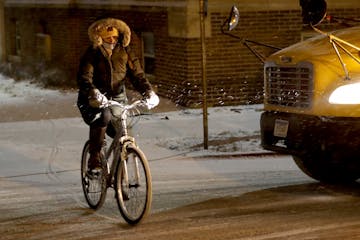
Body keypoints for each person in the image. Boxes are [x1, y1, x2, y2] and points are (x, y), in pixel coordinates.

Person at [77, 18, 159, 173]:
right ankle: (94, 157)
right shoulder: (92, 53)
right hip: (92, 98)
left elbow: (137, 75)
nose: (112, 40)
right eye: (108, 38)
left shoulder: (125, 51)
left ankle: (120, 171)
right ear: (99, 38)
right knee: (104, 116)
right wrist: (92, 92)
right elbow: (84, 78)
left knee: (123, 130)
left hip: (118, 97)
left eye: (115, 37)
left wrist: (148, 92)